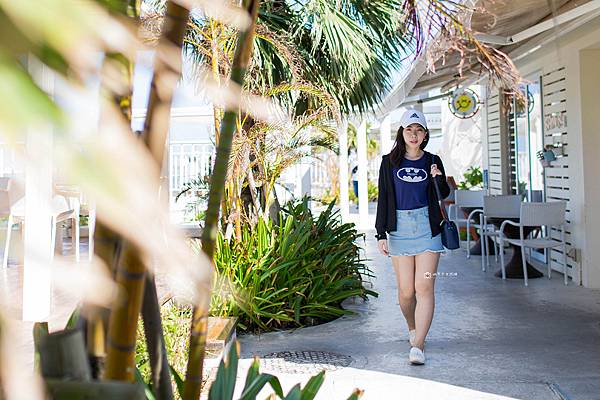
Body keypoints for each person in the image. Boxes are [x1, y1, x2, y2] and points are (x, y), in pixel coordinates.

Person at [374, 109, 450, 365]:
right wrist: (380, 233)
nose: (414, 135)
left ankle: (418, 346)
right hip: (399, 229)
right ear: (402, 133)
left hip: (428, 229)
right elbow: (383, 197)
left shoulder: (432, 159)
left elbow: (444, 192)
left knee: (424, 287)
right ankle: (413, 327)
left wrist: (438, 178)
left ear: (425, 134)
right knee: (406, 292)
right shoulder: (389, 162)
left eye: (419, 130)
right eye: (409, 130)